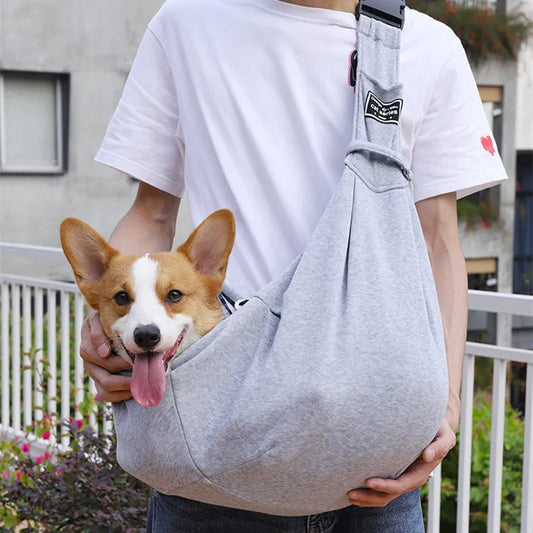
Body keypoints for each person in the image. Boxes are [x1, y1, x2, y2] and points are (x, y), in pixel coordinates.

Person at [81, 0, 508, 530]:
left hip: (380, 468)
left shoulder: (428, 46)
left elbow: (438, 240)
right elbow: (152, 212)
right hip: (219, 458)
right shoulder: (186, 24)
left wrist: (446, 403)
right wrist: (106, 322)